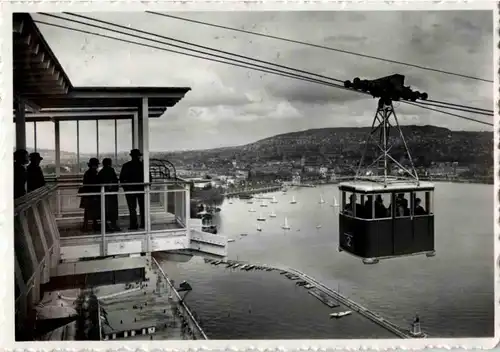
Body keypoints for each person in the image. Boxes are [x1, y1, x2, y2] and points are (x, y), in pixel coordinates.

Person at [120, 149, 145, 230]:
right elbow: (149, 178)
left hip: (130, 190)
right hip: (142, 189)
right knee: (143, 207)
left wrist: (126, 188)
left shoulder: (126, 166)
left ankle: (133, 225)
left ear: (131, 156)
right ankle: (143, 224)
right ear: (139, 156)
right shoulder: (143, 166)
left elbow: (122, 179)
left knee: (132, 208)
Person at [98, 158, 121, 231]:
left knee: (105, 209)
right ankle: (113, 225)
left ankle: (106, 226)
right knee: (113, 210)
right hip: (111, 194)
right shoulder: (111, 170)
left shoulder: (101, 172)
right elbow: (115, 181)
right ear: (109, 163)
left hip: (104, 193)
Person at [79, 158, 101, 231]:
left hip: (88, 195)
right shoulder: (94, 173)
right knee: (93, 210)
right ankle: (93, 225)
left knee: (88, 211)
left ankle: (86, 226)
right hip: (93, 195)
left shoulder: (87, 173)